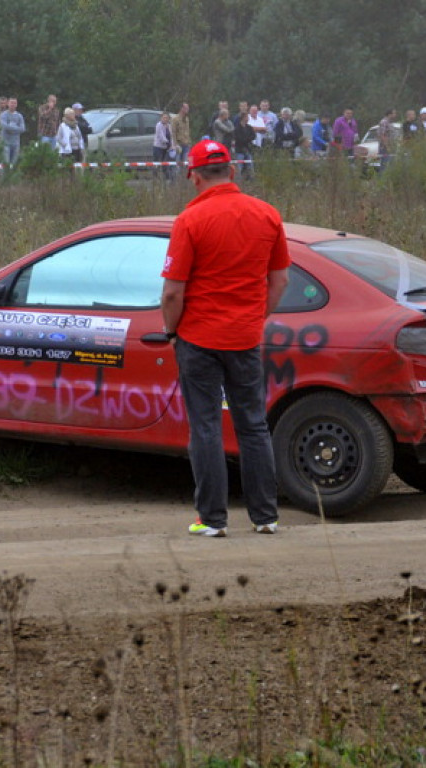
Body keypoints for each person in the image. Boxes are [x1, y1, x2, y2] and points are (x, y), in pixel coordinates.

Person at [160, 139, 289, 537]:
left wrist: (171, 330)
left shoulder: (189, 221)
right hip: (246, 339)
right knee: (253, 425)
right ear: (232, 171)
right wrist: (256, 317)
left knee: (206, 427)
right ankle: (265, 517)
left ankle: (213, 520)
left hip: (198, 338)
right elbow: (279, 279)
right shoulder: (267, 215)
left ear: (194, 177)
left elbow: (172, 292)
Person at [0, 97, 25, 165]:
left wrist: (11, 128)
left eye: (15, 103)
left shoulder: (19, 116)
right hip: (5, 142)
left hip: (16, 143)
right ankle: (4, 176)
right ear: (8, 104)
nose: (13, 104)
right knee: (5, 163)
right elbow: (4, 126)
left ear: (16, 104)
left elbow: (22, 129)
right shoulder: (4, 115)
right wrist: (16, 128)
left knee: (14, 163)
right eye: (11, 103)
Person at [152, 111, 175, 179]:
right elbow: (161, 137)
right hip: (158, 147)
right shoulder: (158, 125)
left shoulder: (169, 126)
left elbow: (171, 136)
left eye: (167, 118)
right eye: (164, 117)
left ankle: (166, 177)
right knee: (157, 162)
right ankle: (155, 177)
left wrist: (172, 145)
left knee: (165, 163)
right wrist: (168, 143)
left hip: (166, 148)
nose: (165, 119)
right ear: (161, 118)